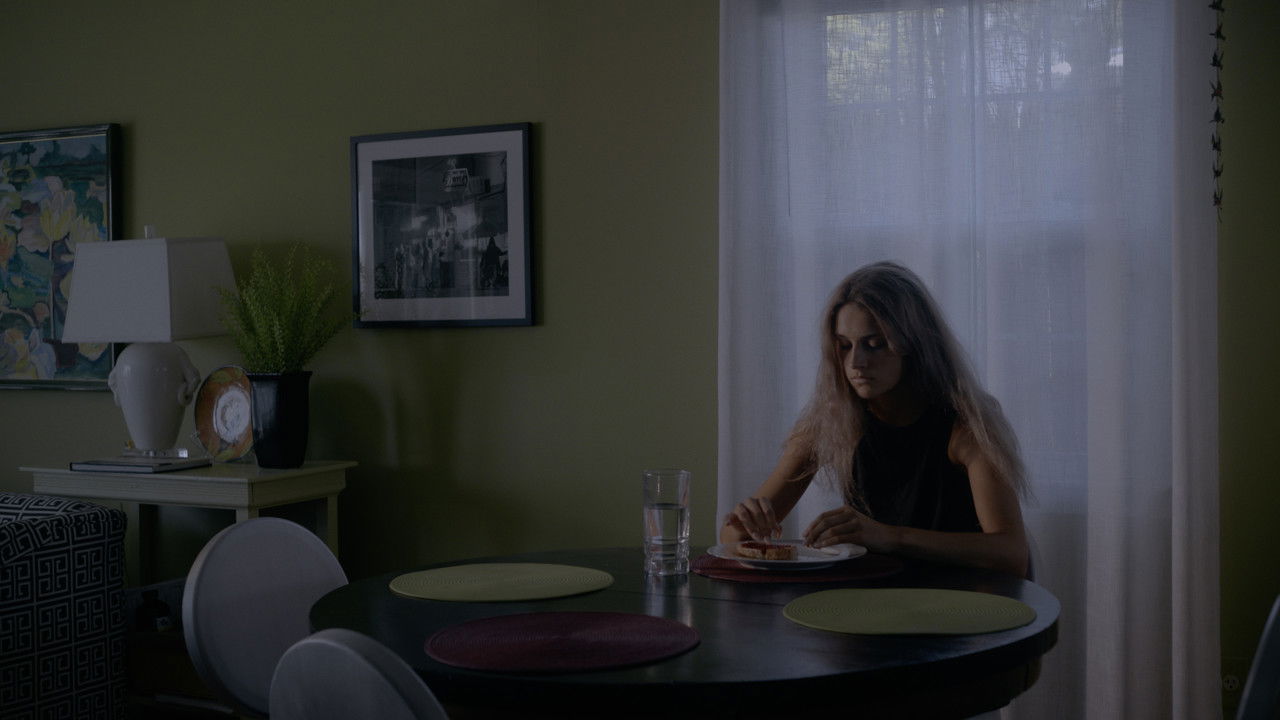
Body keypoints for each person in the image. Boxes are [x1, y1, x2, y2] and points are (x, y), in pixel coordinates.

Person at [719, 262, 1030, 577]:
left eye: (874, 344)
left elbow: (1011, 553)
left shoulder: (965, 425)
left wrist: (890, 536)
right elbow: (731, 539)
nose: (856, 362)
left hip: (963, 605)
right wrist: (748, 521)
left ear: (913, 343)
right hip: (877, 604)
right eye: (844, 347)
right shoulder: (830, 422)